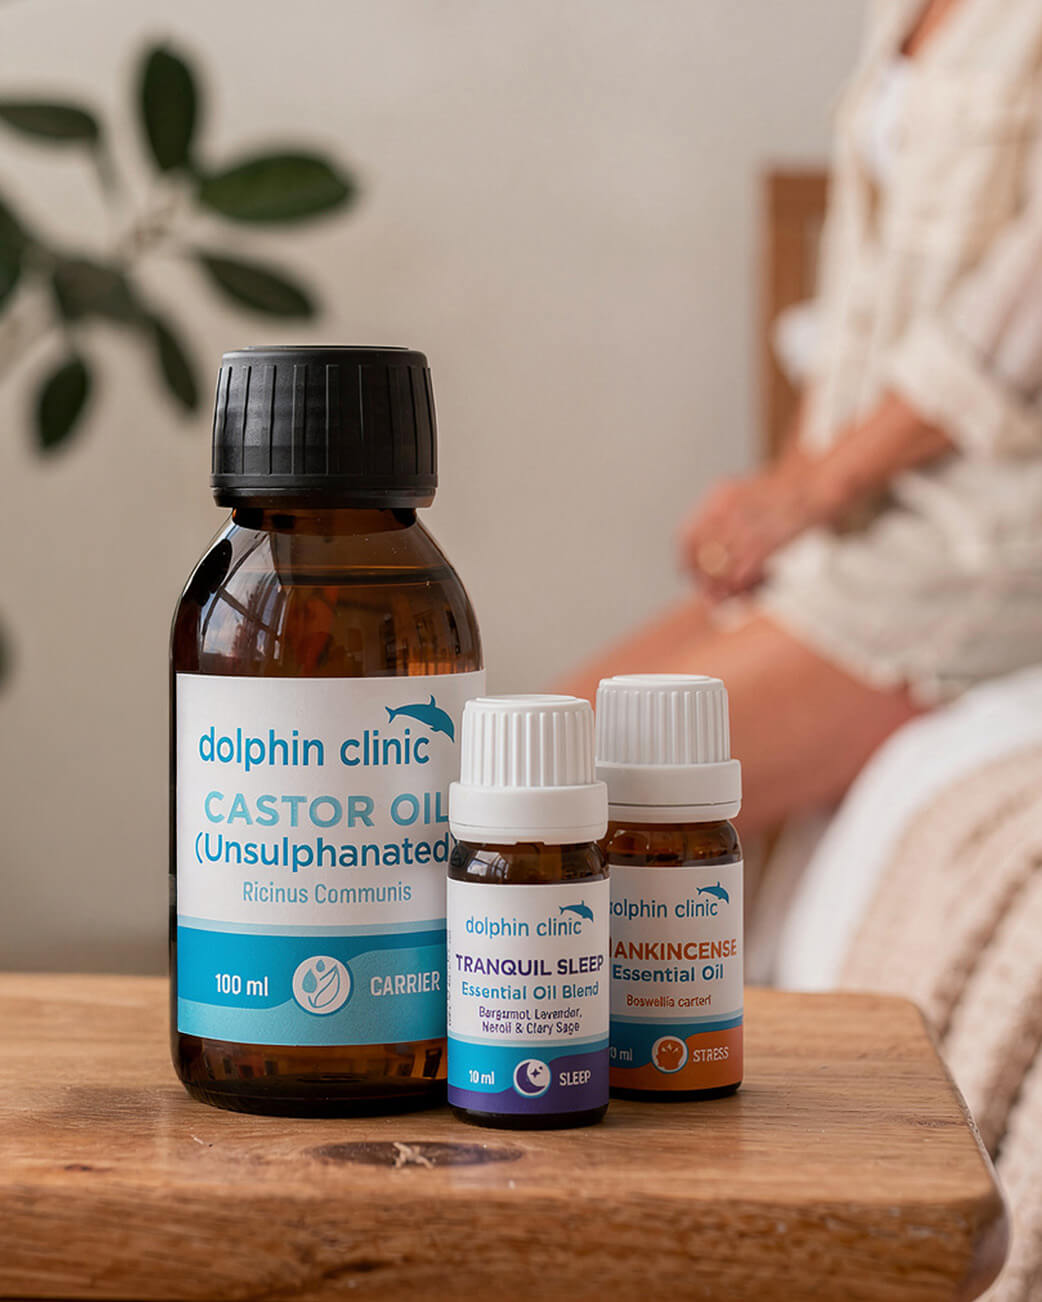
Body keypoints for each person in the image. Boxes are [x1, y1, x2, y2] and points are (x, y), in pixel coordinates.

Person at [559, 0, 1042, 833]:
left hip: (985, 531)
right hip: (865, 507)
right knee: (510, 755)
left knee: (554, 800)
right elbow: (860, 299)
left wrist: (809, 495)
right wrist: (784, 492)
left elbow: (1010, 328)